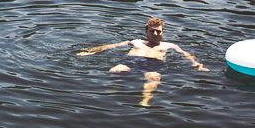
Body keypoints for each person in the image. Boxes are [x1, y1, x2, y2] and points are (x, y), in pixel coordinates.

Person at [77, 18, 208, 105]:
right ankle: (114, 88)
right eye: (152, 31)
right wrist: (91, 52)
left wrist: (198, 65)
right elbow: (111, 46)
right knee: (115, 70)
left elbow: (186, 55)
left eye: (158, 32)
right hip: (132, 61)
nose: (155, 34)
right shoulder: (136, 42)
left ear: (163, 32)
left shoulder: (170, 46)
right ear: (146, 32)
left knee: (153, 77)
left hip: (154, 64)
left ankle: (145, 100)